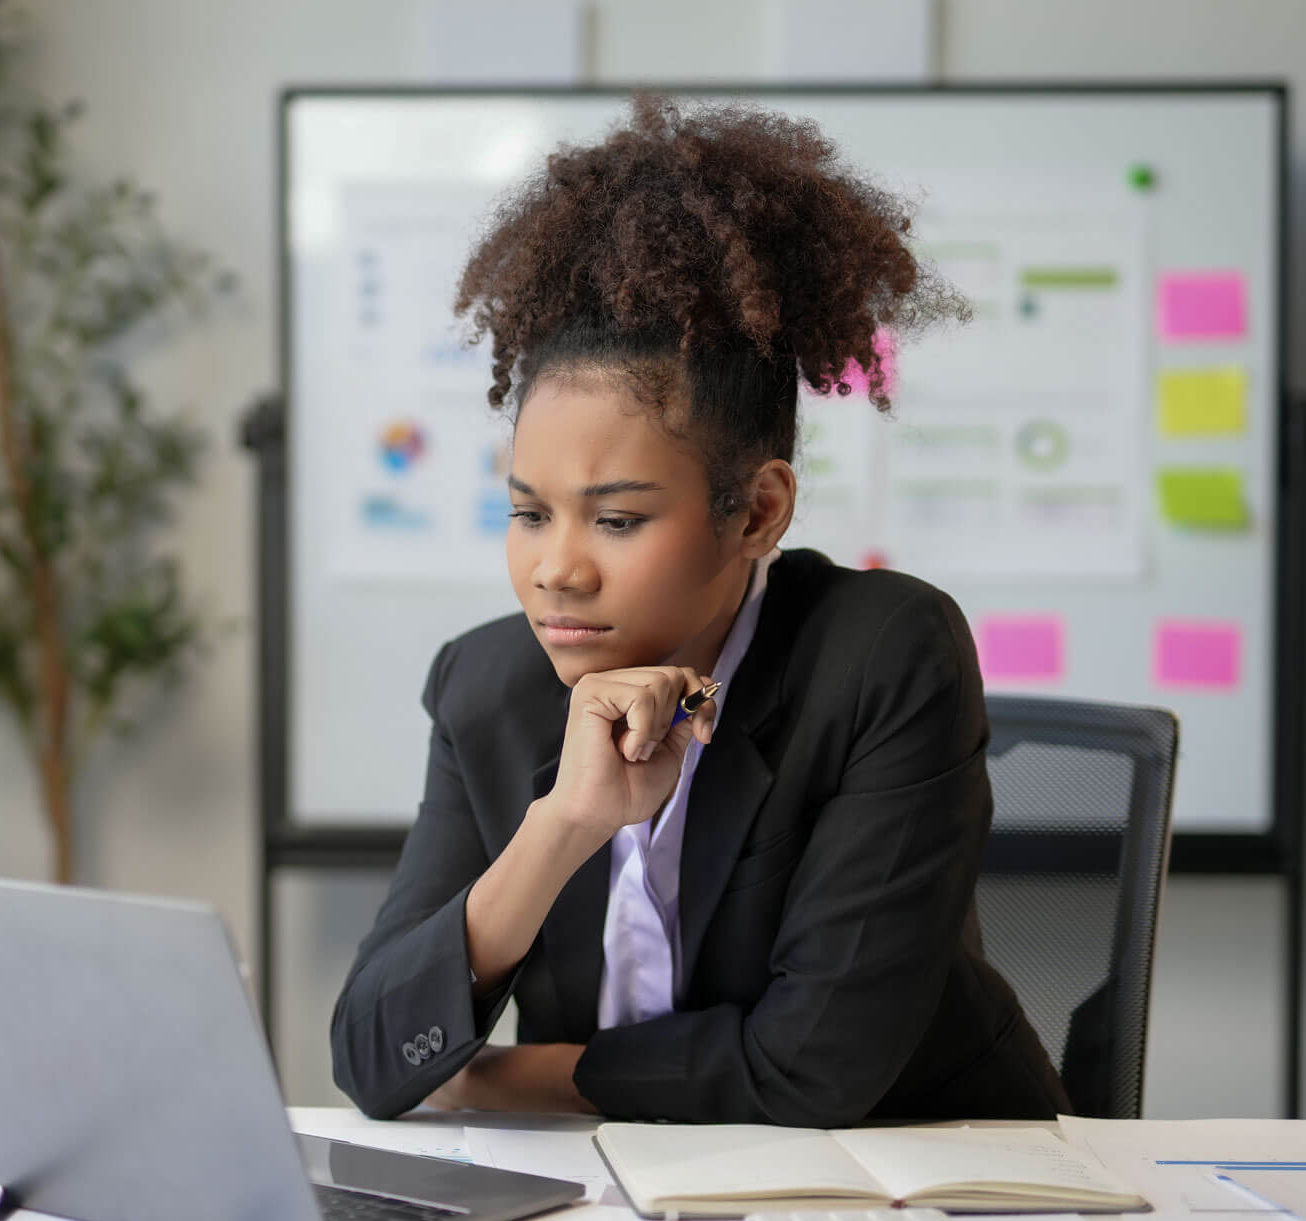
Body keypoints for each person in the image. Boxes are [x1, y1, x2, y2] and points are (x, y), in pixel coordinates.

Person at [329, 96, 1067, 1126]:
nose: (556, 570)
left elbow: (814, 1067)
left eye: (618, 520)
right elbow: (372, 1055)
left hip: (917, 1181)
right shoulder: (488, 685)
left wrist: (512, 1074)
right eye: (529, 513)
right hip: (615, 1196)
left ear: (756, 510)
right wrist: (564, 825)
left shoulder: (882, 656)